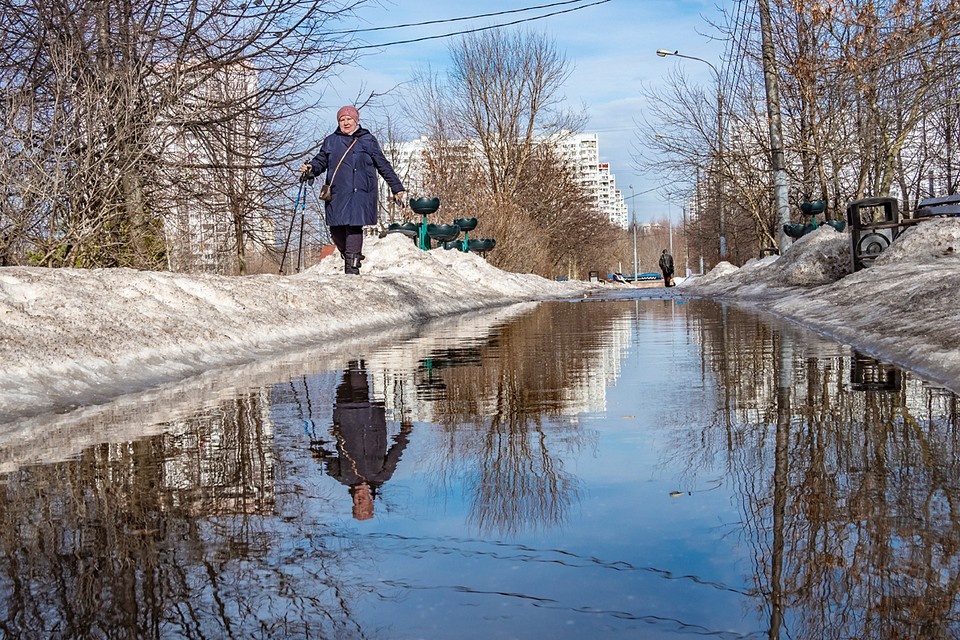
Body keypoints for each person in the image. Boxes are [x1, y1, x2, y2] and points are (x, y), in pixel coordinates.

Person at [301, 106, 406, 275]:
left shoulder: (368, 140)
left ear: (356, 120)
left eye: (349, 119)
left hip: (361, 192)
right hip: (338, 193)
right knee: (336, 230)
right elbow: (321, 160)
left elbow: (382, 164)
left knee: (354, 227)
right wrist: (311, 167)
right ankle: (350, 255)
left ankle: (352, 268)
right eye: (342, 119)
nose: (345, 122)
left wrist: (396, 187)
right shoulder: (331, 141)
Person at [311, 361, 413, 520]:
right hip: (370, 418)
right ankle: (355, 359)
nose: (358, 500)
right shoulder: (381, 475)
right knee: (359, 385)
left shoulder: (344, 478)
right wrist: (404, 433)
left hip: (344, 417)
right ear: (371, 501)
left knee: (345, 385)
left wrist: (319, 454)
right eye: (362, 503)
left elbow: (328, 461)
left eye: (356, 504)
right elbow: (396, 452)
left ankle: (351, 359)